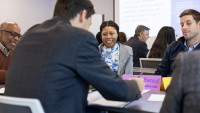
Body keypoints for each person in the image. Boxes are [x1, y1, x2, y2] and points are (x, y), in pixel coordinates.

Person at [4, 0, 145, 113]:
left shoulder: (29, 34)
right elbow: (115, 90)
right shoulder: (79, 37)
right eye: (88, 24)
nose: (87, 29)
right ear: (82, 15)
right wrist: (135, 86)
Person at [155, 9, 200, 77]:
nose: (184, 27)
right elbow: (160, 73)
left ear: (199, 25)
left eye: (188, 23)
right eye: (182, 25)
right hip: (171, 86)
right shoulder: (173, 47)